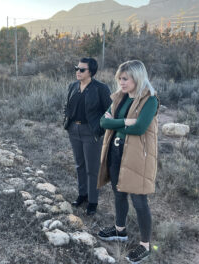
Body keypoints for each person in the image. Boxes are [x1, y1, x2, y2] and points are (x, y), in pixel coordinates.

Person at [96, 60, 159, 263]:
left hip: (137, 156)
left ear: (137, 78)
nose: (121, 83)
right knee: (119, 192)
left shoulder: (150, 100)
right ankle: (119, 230)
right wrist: (124, 122)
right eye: (119, 79)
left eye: (125, 79)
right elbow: (103, 122)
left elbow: (139, 128)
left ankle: (145, 246)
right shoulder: (120, 97)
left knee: (140, 201)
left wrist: (117, 125)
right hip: (116, 151)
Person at [64, 57, 112, 215]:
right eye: (76, 68)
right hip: (74, 130)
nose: (78, 71)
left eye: (82, 69)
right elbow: (68, 106)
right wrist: (68, 122)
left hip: (91, 132)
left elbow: (109, 110)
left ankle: (93, 202)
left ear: (91, 71)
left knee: (92, 169)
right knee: (79, 165)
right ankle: (82, 195)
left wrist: (99, 128)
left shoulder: (100, 88)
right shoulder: (73, 86)